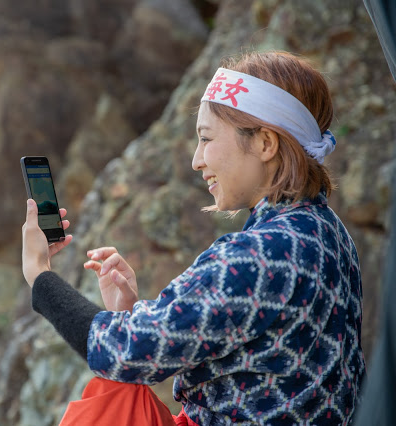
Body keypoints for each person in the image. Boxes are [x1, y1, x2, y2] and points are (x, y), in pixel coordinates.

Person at [21, 51, 365, 425]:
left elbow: (119, 350)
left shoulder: (258, 255)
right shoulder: (329, 231)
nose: (196, 160)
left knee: (113, 396)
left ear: (266, 144)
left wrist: (41, 276)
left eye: (206, 139)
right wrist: (131, 315)